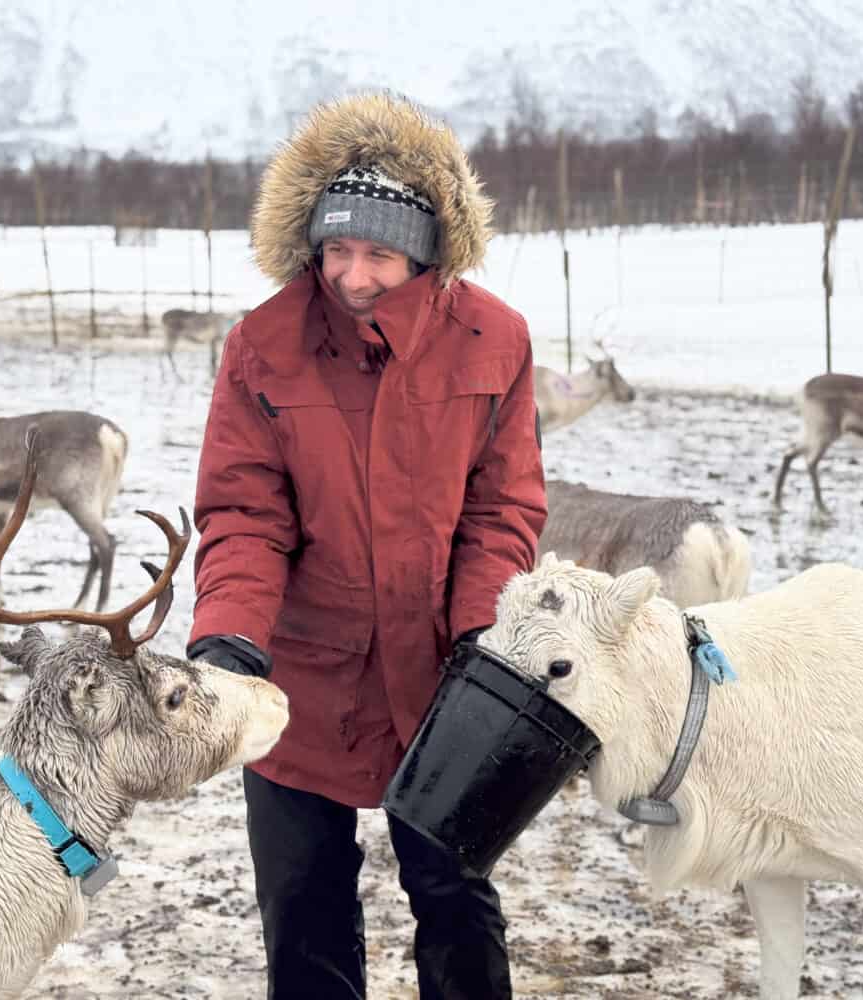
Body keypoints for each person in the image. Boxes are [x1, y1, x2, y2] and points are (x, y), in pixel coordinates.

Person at [185, 92, 547, 1000]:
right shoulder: (263, 344)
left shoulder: (492, 340)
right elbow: (243, 513)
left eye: (378, 254)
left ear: (424, 255)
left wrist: (482, 632)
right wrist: (229, 636)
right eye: (336, 249)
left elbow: (500, 508)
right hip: (297, 677)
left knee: (457, 899)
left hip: (449, 674)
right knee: (302, 914)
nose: (351, 275)